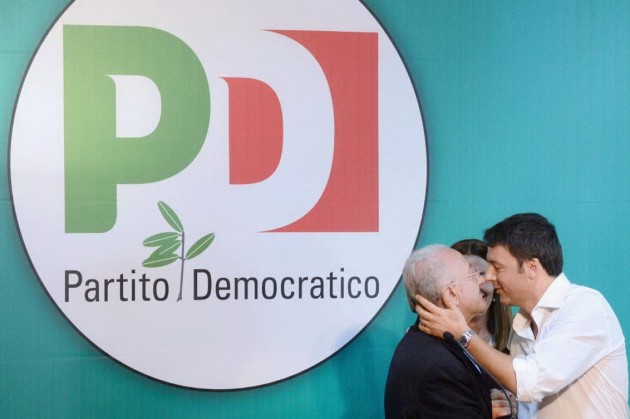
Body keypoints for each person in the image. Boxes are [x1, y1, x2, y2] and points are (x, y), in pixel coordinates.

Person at [416, 213, 629, 418]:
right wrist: (509, 405)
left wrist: (463, 334)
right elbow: (531, 399)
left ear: (531, 267)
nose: (488, 276)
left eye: (497, 267)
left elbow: (532, 382)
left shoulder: (585, 306)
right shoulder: (521, 326)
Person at [385, 244, 503, 418]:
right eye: (472, 275)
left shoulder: (429, 346)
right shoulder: (441, 368)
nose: (481, 281)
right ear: (451, 294)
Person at [451, 239, 513, 353]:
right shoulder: (434, 338)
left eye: (482, 274)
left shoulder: (517, 339)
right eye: (466, 276)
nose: (476, 283)